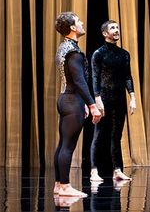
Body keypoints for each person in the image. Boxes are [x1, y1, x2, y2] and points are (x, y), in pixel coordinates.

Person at [52, 12, 103, 197]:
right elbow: (79, 80)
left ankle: (59, 185)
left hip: (67, 99)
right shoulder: (73, 51)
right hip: (72, 100)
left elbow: (73, 81)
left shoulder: (64, 47)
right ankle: (65, 186)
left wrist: (82, 102)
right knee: (68, 146)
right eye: (79, 21)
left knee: (63, 145)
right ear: (72, 28)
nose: (82, 23)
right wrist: (91, 105)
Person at [89, 20, 138, 183]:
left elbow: (127, 76)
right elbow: (95, 77)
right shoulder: (98, 54)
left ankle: (117, 170)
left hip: (119, 100)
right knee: (99, 135)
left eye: (117, 27)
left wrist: (132, 97)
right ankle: (94, 171)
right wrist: (97, 99)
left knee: (116, 136)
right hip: (104, 98)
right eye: (112, 28)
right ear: (105, 33)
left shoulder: (124, 54)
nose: (116, 30)